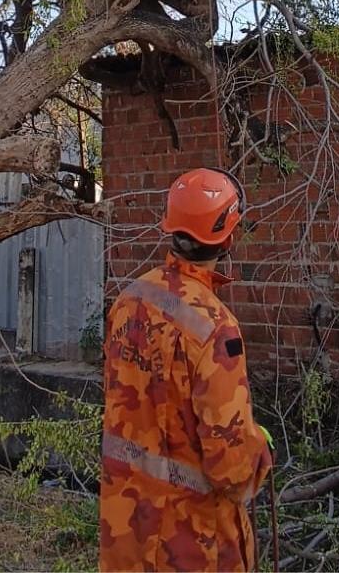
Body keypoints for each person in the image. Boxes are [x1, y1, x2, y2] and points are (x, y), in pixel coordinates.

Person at [100, 167, 273, 572]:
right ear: (228, 236)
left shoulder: (128, 301)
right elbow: (231, 469)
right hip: (194, 545)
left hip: (127, 532)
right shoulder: (216, 327)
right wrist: (260, 449)